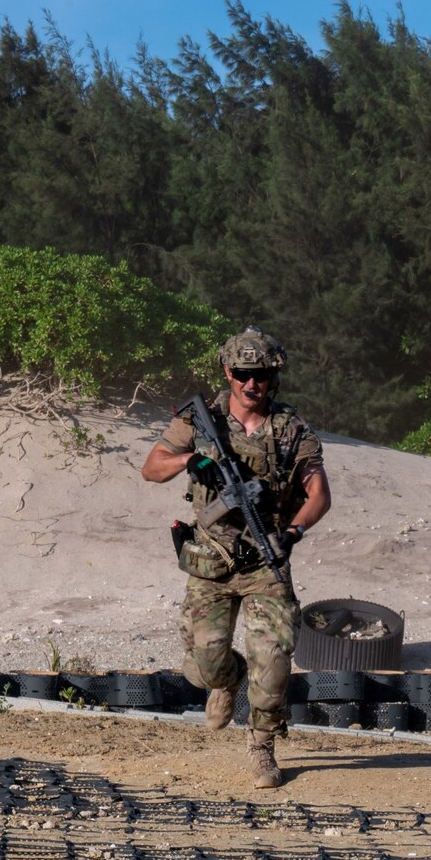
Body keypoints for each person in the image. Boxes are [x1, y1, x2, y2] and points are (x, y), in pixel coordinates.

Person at [141, 328, 331, 788]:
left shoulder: (291, 429)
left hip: (266, 561)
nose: (252, 384)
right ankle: (229, 679)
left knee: (275, 659)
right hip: (211, 560)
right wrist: (190, 461)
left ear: (273, 376)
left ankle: (262, 745)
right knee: (204, 666)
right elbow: (151, 468)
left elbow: (319, 495)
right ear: (228, 372)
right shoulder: (200, 420)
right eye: (243, 374)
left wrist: (293, 532)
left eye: (260, 375)